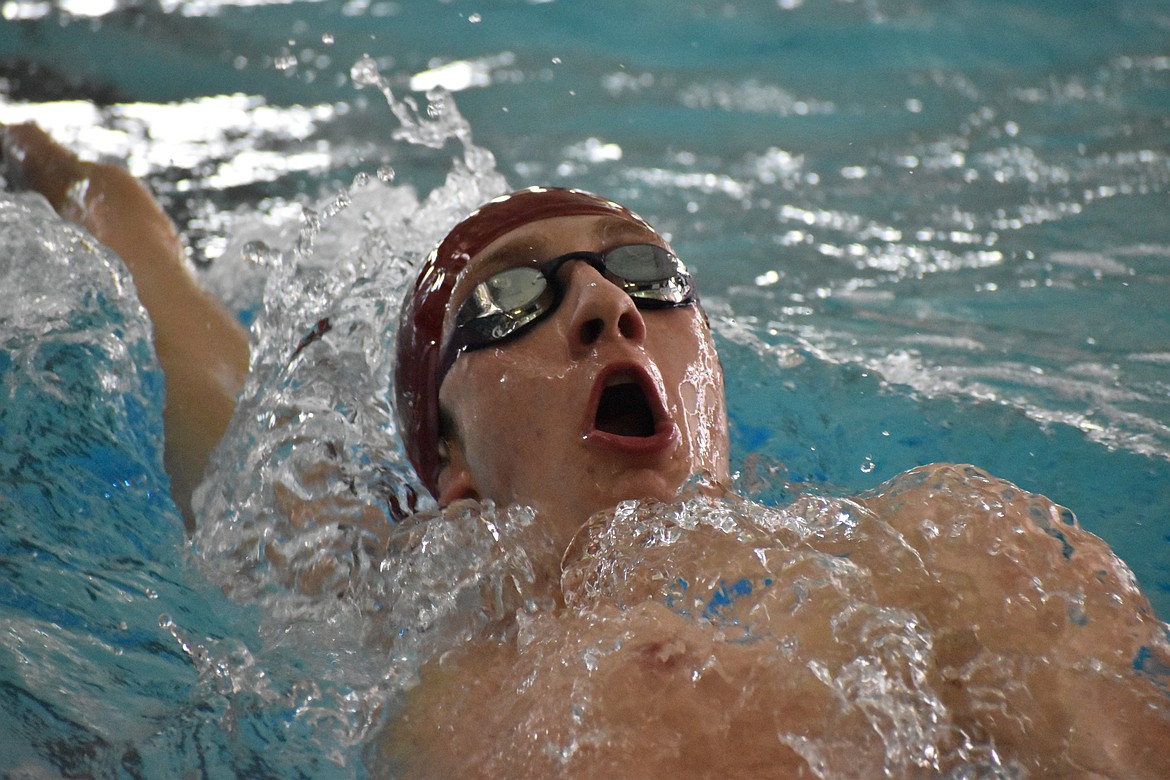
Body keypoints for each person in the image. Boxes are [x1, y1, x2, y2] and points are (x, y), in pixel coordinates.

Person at [4, 123, 1169, 778]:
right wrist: (75, 176)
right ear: (450, 460)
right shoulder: (375, 628)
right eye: (511, 300)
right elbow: (210, 383)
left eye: (648, 277)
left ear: (709, 384)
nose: (610, 307)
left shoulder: (950, 556)